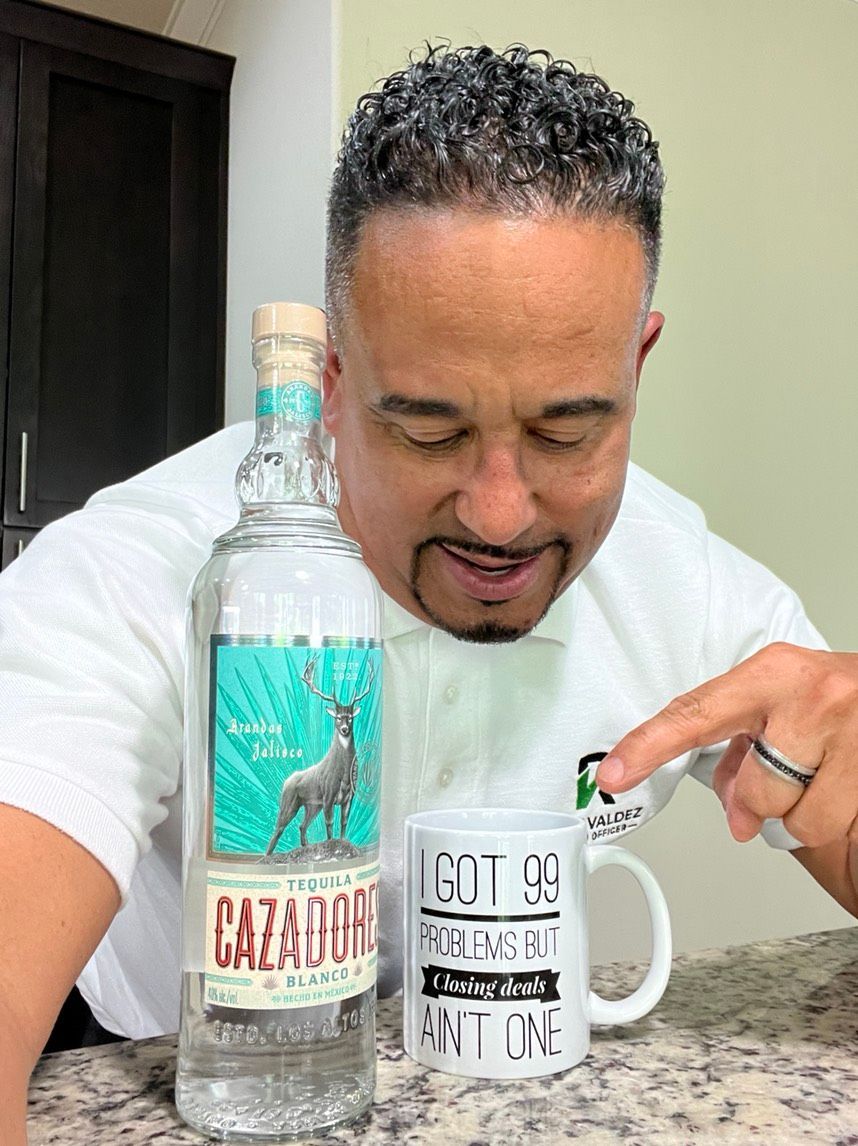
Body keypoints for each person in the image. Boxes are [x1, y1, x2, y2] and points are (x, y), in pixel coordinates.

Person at [1, 42, 856, 1138]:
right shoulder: (146, 568)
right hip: (168, 1065)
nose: (501, 516)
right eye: (427, 427)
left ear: (636, 368)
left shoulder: (685, 583)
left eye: (567, 428)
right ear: (332, 381)